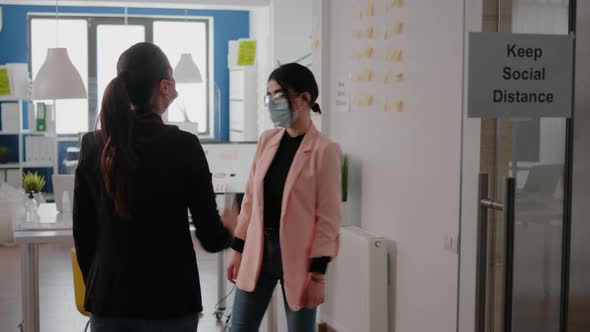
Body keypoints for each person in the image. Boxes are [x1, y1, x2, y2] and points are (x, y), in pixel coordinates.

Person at [73, 42, 237, 332]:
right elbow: (211, 237)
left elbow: (83, 233)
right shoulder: (185, 146)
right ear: (163, 86)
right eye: (172, 80)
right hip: (172, 300)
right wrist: (229, 227)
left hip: (111, 299)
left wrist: (100, 286)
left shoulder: (94, 144)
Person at [226, 63, 342, 331]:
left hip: (300, 259)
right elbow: (251, 202)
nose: (271, 103)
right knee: (240, 328)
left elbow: (328, 218)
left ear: (304, 99)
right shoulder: (267, 140)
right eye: (269, 96)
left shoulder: (325, 150)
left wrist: (318, 273)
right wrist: (237, 250)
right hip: (258, 249)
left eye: (278, 95)